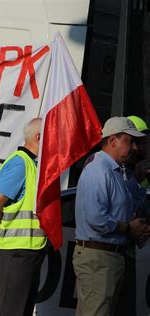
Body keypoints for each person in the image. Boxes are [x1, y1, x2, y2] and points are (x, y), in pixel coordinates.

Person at [73, 116, 150, 316]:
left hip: (108, 256)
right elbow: (96, 218)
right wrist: (128, 227)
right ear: (113, 140)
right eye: (129, 141)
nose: (133, 147)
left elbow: (125, 204)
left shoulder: (114, 171)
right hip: (99, 257)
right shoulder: (99, 170)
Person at [0, 118, 47, 316]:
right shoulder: (20, 163)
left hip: (26, 251)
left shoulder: (33, 164)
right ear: (39, 137)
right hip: (15, 252)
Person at [115, 115, 149, 316]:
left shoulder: (139, 174)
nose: (140, 149)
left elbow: (140, 212)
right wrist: (137, 179)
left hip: (129, 254)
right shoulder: (111, 169)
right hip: (110, 254)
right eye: (136, 142)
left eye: (143, 143)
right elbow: (120, 205)